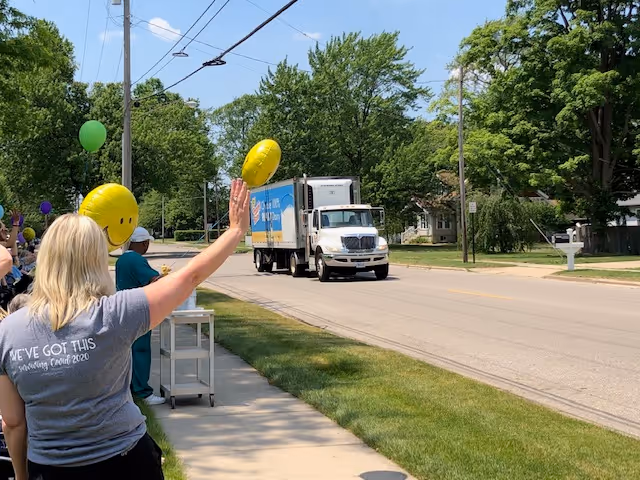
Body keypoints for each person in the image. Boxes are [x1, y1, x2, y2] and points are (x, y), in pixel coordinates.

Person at [0, 180, 250, 480]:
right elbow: (190, 276)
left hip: (50, 468)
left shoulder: (8, 330)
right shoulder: (116, 313)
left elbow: (13, 422)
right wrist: (235, 230)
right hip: (125, 463)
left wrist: (22, 475)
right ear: (96, 259)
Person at [115, 226, 165, 406]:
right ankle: (143, 391)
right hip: (138, 311)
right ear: (143, 243)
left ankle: (130, 387)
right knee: (141, 351)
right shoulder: (136, 260)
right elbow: (153, 281)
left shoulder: (123, 259)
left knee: (129, 352)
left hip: (124, 309)